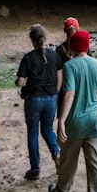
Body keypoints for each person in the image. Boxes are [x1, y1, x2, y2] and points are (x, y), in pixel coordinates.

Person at [49, 30, 97, 192]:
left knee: (68, 163)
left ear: (71, 47)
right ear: (88, 46)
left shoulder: (70, 66)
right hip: (96, 122)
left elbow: (69, 94)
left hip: (75, 123)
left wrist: (61, 120)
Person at [15, 24, 64, 180]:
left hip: (34, 99)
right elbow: (59, 78)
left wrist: (20, 83)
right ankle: (56, 153)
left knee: (33, 134)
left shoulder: (28, 58)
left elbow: (21, 82)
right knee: (48, 129)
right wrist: (54, 92)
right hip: (51, 97)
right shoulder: (55, 56)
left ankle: (35, 169)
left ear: (32, 40)